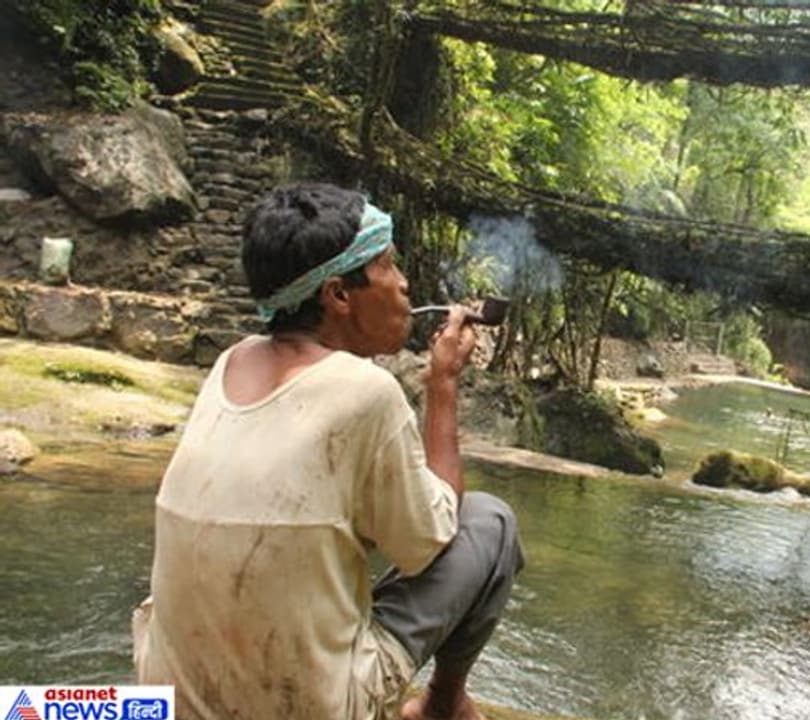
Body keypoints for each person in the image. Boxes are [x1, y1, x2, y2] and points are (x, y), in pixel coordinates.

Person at [131, 182, 524, 720]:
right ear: (338, 295)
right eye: (388, 265)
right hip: (310, 708)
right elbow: (431, 541)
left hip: (169, 700)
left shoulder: (231, 363)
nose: (406, 284)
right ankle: (443, 705)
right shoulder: (366, 391)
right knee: (490, 521)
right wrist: (443, 383)